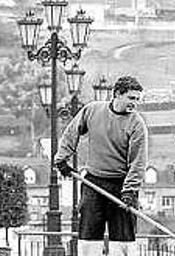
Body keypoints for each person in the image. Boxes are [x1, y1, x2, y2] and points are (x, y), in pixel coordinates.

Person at [54, 75, 148, 256]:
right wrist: (62, 159)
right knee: (89, 235)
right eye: (131, 98)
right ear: (117, 95)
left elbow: (138, 162)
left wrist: (130, 190)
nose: (134, 103)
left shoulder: (137, 124)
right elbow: (72, 132)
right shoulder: (92, 110)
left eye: (137, 99)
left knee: (123, 240)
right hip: (93, 182)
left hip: (122, 185)